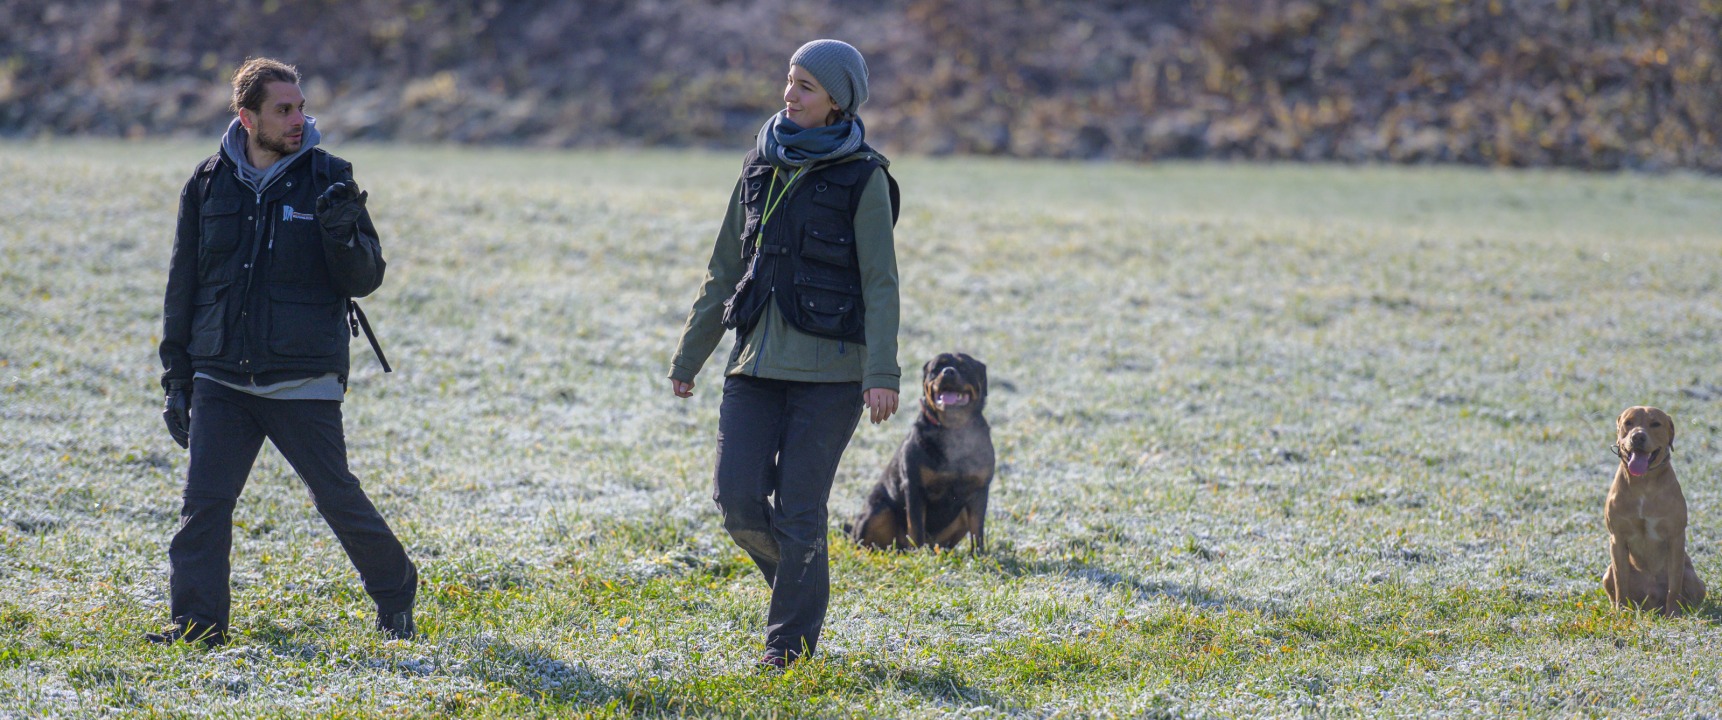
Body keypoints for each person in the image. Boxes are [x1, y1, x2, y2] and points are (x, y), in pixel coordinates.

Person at [151, 57, 416, 647]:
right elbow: (183, 284)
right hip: (221, 373)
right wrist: (177, 376)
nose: (299, 119)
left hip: (301, 376)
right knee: (204, 507)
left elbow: (365, 277)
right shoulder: (207, 182)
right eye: (284, 109)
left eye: (300, 107)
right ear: (247, 117)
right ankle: (196, 625)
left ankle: (397, 593)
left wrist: (344, 233)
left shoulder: (331, 177)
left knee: (337, 499)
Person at [668, 39, 901, 669]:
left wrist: (882, 372)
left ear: (836, 102)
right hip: (752, 366)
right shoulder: (757, 166)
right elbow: (723, 270)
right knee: (737, 501)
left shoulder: (865, 177)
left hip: (831, 375)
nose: (789, 95)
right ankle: (802, 586)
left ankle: (787, 649)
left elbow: (881, 280)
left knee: (801, 510)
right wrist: (690, 358)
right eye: (789, 81)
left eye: (805, 87)